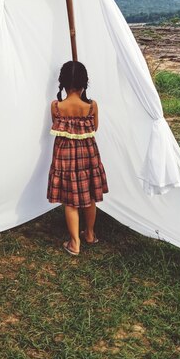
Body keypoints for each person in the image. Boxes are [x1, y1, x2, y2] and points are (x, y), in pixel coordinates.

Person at [47, 60, 109, 256]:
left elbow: (57, 126)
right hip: (88, 155)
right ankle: (90, 234)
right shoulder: (92, 107)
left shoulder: (56, 107)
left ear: (62, 83)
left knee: (70, 200)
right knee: (89, 196)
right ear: (85, 83)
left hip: (64, 156)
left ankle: (75, 243)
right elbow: (94, 128)